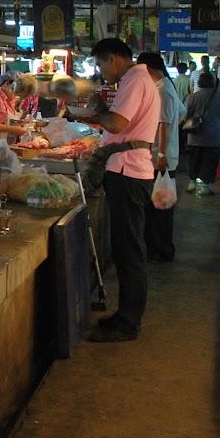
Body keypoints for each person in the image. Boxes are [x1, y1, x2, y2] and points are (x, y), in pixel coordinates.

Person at [86, 39, 160, 342]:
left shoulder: (134, 80)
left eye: (102, 64)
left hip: (128, 172)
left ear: (115, 59)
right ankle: (126, 316)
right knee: (127, 247)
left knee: (128, 250)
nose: (102, 72)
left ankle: (129, 322)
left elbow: (116, 124)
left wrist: (98, 108)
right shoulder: (139, 79)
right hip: (128, 171)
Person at [138, 52, 181, 264]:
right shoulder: (164, 87)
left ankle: (161, 250)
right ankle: (159, 247)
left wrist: (162, 153)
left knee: (159, 207)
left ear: (148, 68)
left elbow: (164, 124)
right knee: (158, 206)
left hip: (160, 158)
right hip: (163, 155)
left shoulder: (163, 90)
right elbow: (181, 114)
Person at [183, 71, 220, 196]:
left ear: (199, 82)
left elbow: (186, 115)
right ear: (213, 83)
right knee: (209, 161)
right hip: (212, 136)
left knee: (194, 159)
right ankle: (205, 186)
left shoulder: (192, 97)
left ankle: (192, 182)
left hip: (194, 135)